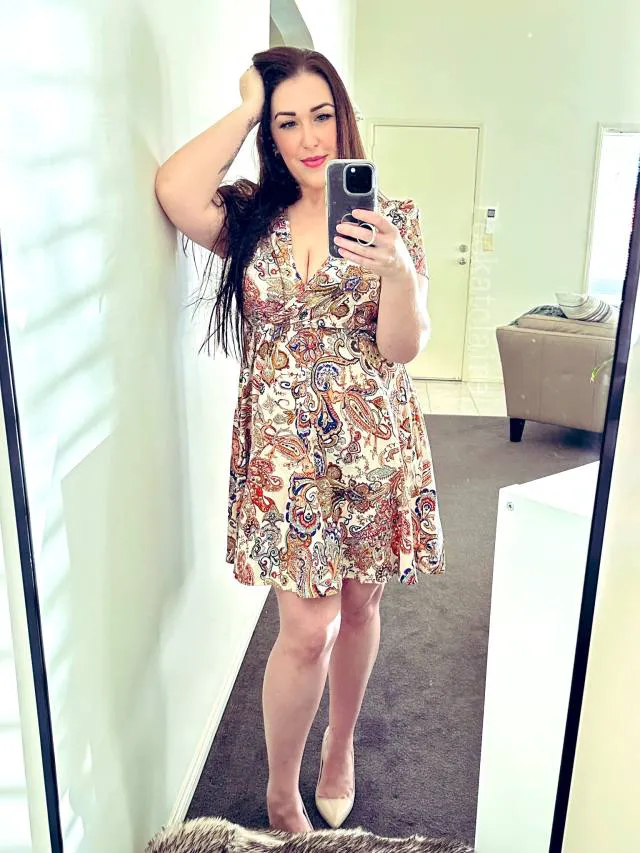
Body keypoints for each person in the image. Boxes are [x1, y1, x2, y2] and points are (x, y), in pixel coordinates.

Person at [155, 46, 445, 835]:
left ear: (343, 117)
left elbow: (401, 348)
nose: (309, 137)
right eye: (287, 123)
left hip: (373, 441)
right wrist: (250, 104)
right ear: (271, 137)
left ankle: (339, 747)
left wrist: (399, 274)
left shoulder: (392, 219)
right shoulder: (251, 217)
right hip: (286, 456)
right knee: (307, 628)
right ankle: (283, 790)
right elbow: (175, 190)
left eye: (321, 115)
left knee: (361, 601)